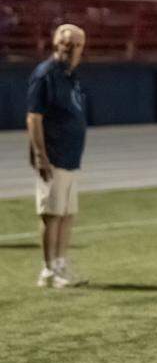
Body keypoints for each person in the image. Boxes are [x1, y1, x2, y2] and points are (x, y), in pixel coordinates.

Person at [26, 23, 87, 288]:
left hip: (71, 156)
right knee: (51, 214)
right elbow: (34, 117)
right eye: (66, 43)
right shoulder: (46, 74)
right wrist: (41, 156)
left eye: (76, 44)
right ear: (55, 44)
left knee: (66, 213)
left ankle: (61, 264)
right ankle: (48, 269)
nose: (71, 49)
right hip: (54, 156)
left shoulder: (70, 75)